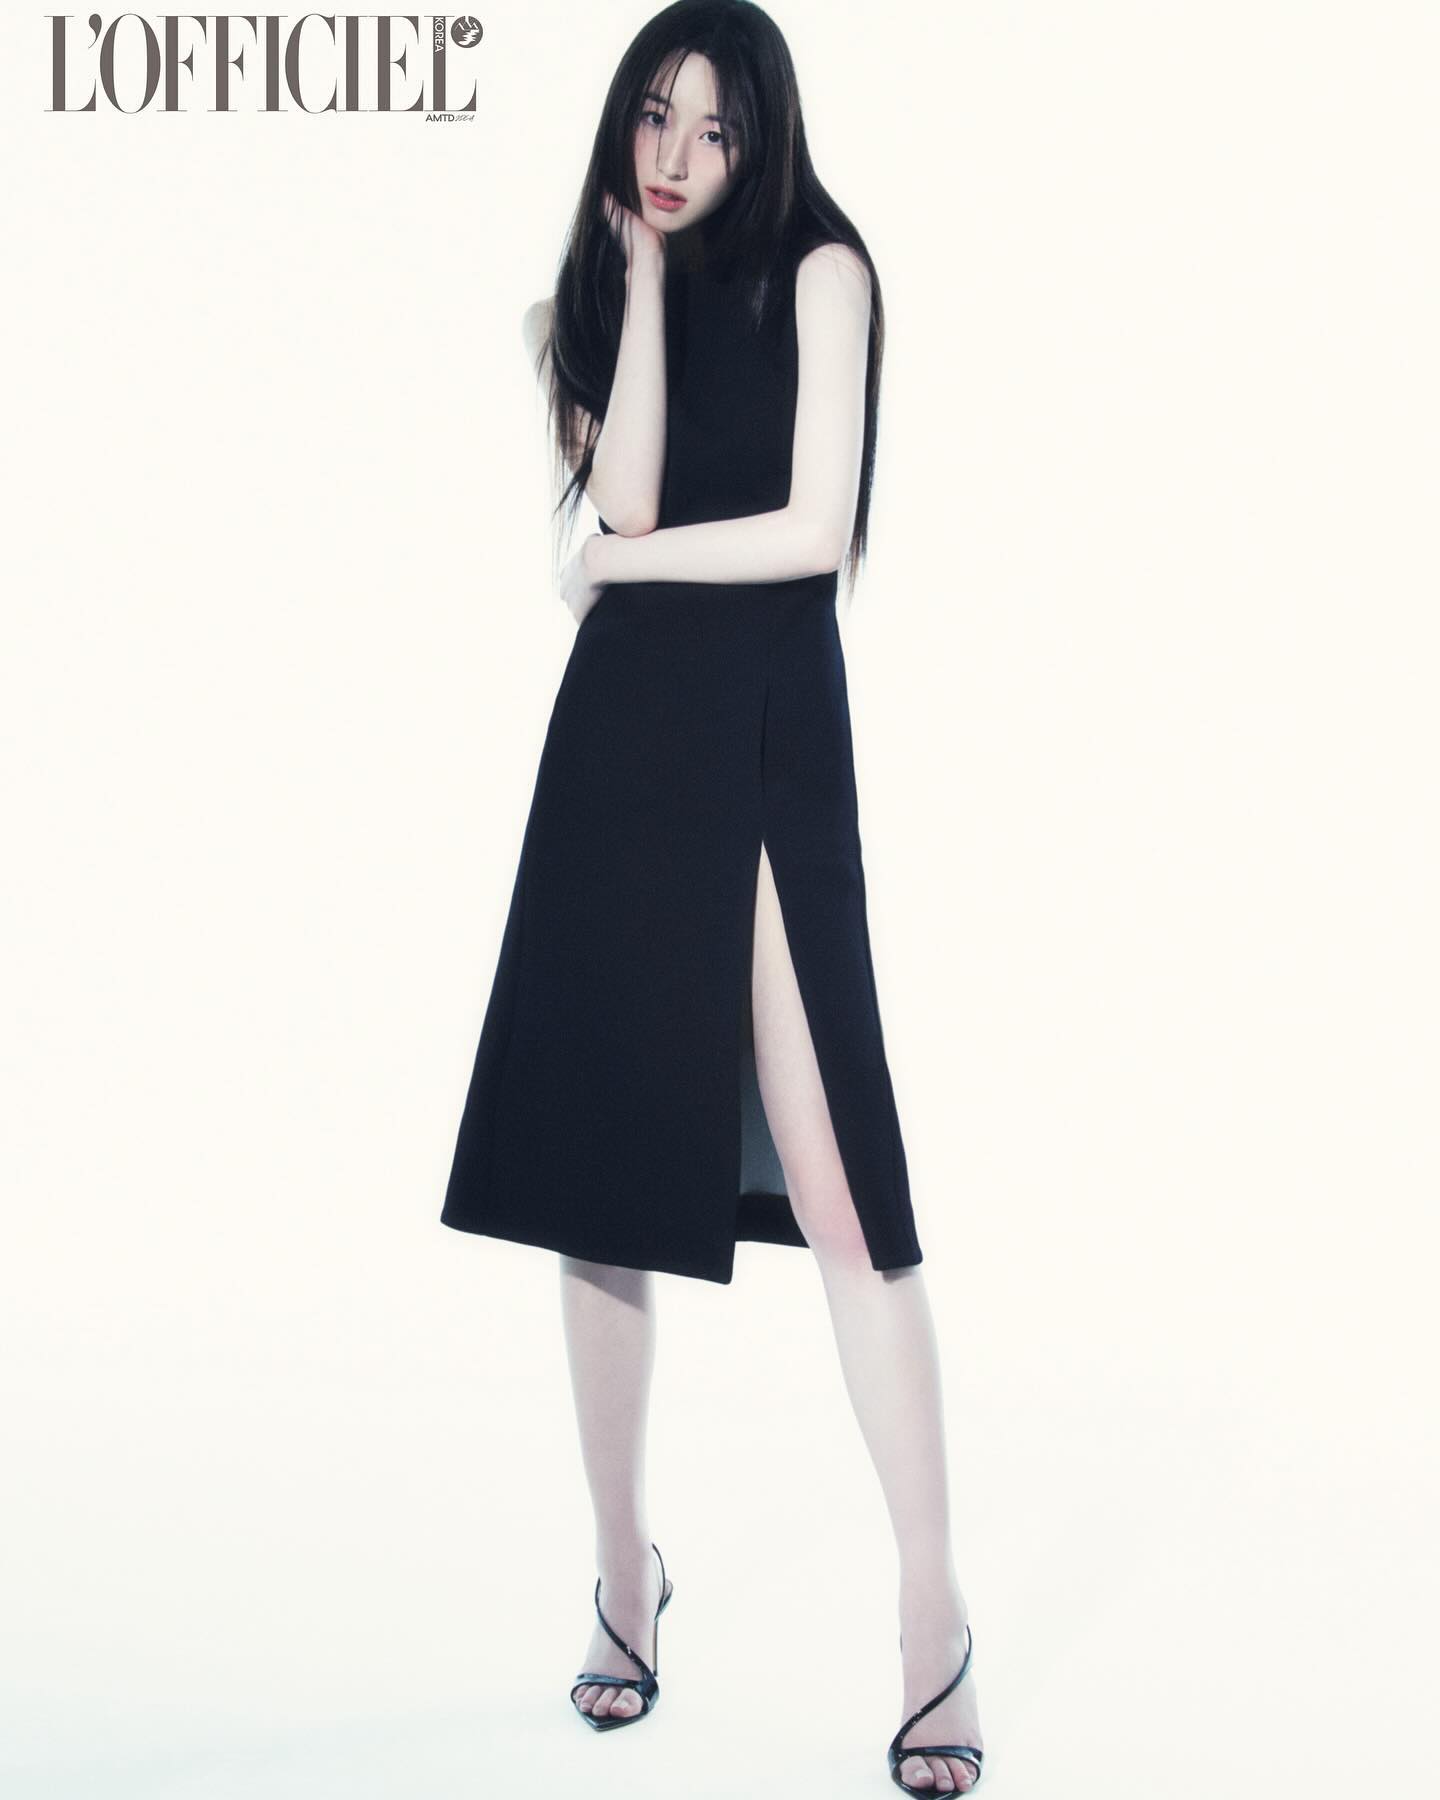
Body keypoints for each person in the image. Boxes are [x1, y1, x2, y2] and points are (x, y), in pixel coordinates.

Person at [441, 4, 984, 1791]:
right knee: (599, 1195)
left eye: (715, 130)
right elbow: (629, 491)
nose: (676, 158)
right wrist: (646, 292)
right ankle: (624, 1578)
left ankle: (930, 1613)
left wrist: (620, 566)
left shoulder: (830, 274)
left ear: (766, 140)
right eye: (652, 120)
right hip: (622, 751)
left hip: (763, 735)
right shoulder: (585, 313)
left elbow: (815, 532)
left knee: (841, 1195)